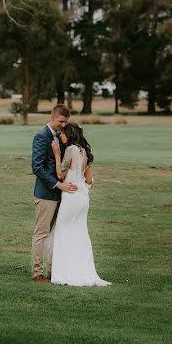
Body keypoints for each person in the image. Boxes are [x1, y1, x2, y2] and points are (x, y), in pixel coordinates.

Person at [46, 122, 110, 287]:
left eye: (63, 134)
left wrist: (56, 154)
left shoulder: (71, 150)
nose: (61, 136)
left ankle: (64, 273)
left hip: (71, 196)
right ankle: (82, 271)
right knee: (79, 233)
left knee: (61, 230)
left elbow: (60, 174)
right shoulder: (85, 152)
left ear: (69, 134)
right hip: (82, 198)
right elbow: (89, 180)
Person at [30, 104, 78, 282]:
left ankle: (52, 270)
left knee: (55, 235)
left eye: (66, 122)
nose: (63, 125)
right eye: (61, 121)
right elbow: (37, 167)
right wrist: (58, 184)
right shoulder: (41, 136)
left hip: (62, 195)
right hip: (46, 194)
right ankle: (37, 272)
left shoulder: (62, 137)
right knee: (41, 233)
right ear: (52, 117)